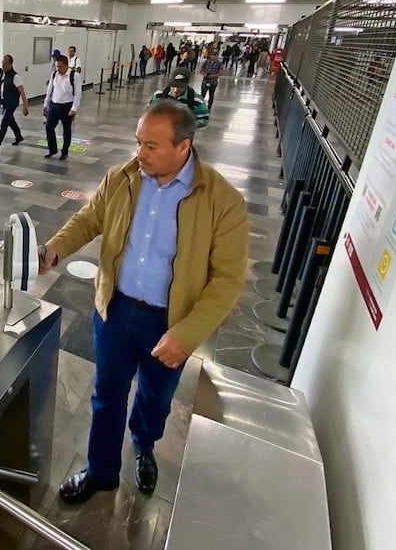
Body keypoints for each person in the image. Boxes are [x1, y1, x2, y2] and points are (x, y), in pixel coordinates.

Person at [40, 99, 248, 503]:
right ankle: (101, 471)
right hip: (115, 311)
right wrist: (54, 248)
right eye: (138, 143)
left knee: (155, 396)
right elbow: (89, 218)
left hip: (169, 323)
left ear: (183, 146)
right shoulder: (123, 177)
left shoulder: (222, 201)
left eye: (151, 146)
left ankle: (144, 445)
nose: (140, 154)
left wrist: (186, 335)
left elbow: (227, 280)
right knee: (107, 392)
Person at [0, 54, 29, 153]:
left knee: (4, 123)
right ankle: (18, 137)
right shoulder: (1, 74)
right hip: (4, 103)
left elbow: (22, 92)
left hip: (11, 103)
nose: (3, 66)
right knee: (10, 121)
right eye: (2, 63)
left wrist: (25, 106)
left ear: (10, 64)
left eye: (5, 64)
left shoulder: (16, 77)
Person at [44, 55, 81, 160]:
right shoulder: (54, 74)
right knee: (49, 127)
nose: (58, 69)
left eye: (60, 67)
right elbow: (49, 90)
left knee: (66, 130)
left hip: (67, 106)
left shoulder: (74, 76)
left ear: (66, 65)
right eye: (56, 67)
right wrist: (46, 105)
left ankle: (64, 152)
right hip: (54, 105)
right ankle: (52, 149)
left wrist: (74, 109)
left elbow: (78, 93)